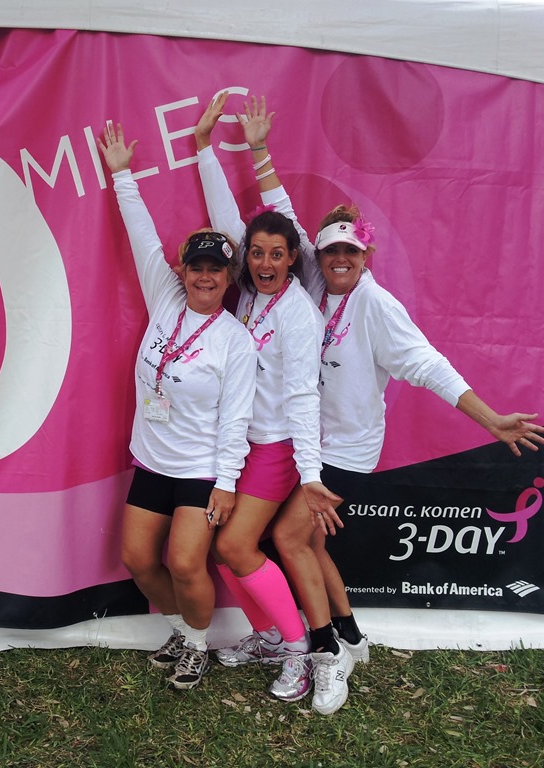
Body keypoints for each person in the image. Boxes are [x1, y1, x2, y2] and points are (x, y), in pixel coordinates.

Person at [207, 94, 544, 715]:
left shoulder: (376, 304)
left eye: (351, 253)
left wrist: (492, 419)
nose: (340, 261)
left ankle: (322, 656)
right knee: (310, 546)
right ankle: (352, 637)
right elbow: (282, 220)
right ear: (318, 257)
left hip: (347, 449)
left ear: (367, 257)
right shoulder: (313, 284)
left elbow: (429, 366)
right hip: (309, 443)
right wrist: (257, 150)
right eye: (331, 252)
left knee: (289, 538)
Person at [97, 121, 258, 690]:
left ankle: (197, 646)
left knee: (187, 563)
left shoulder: (235, 341)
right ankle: (181, 630)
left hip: (199, 469)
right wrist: (122, 174)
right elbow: (142, 236)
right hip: (152, 459)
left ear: (229, 277)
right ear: (183, 270)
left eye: (216, 269)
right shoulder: (165, 297)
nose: (205, 276)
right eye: (197, 267)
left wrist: (227, 483)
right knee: (138, 560)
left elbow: (236, 418)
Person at [192, 91, 340, 704]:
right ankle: (268, 636)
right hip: (244, 442)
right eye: (257, 253)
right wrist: (203, 149)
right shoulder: (252, 294)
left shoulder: (298, 313)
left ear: (293, 259)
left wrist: (311, 475)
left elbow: (303, 397)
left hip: (278, 447)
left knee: (233, 545)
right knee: (221, 542)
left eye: (278, 254)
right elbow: (230, 221)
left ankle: (300, 650)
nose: (265, 262)